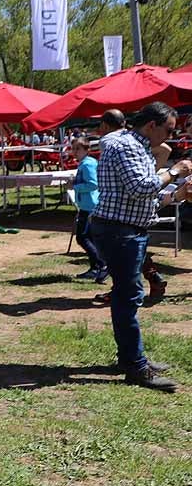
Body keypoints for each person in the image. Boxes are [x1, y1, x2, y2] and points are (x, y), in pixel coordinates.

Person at [89, 102, 192, 391]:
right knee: (128, 297)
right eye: (168, 130)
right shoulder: (127, 146)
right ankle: (135, 366)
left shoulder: (136, 145)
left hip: (124, 230)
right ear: (151, 125)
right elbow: (141, 188)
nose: (169, 137)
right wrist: (175, 171)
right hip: (120, 233)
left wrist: (176, 195)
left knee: (127, 296)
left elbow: (140, 199)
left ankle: (130, 359)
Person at [70, 137, 106, 282]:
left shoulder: (87, 164)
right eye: (73, 148)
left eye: (78, 148)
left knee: (82, 237)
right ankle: (95, 269)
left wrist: (75, 186)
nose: (75, 152)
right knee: (90, 238)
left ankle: (102, 265)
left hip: (90, 206)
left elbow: (93, 184)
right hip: (87, 205)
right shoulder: (85, 163)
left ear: (86, 149)